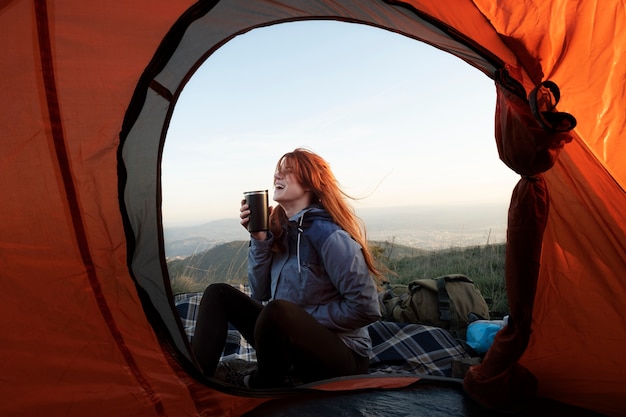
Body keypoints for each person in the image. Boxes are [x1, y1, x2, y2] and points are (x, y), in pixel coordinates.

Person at [191, 148, 383, 388]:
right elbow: (260, 292)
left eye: (287, 172)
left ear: (311, 183)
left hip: (342, 359)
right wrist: (260, 238)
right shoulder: (282, 230)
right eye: (276, 174)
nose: (277, 178)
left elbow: (366, 309)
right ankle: (195, 381)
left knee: (278, 312)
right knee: (218, 294)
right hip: (288, 341)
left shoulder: (331, 238)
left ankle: (257, 383)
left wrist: (301, 319)